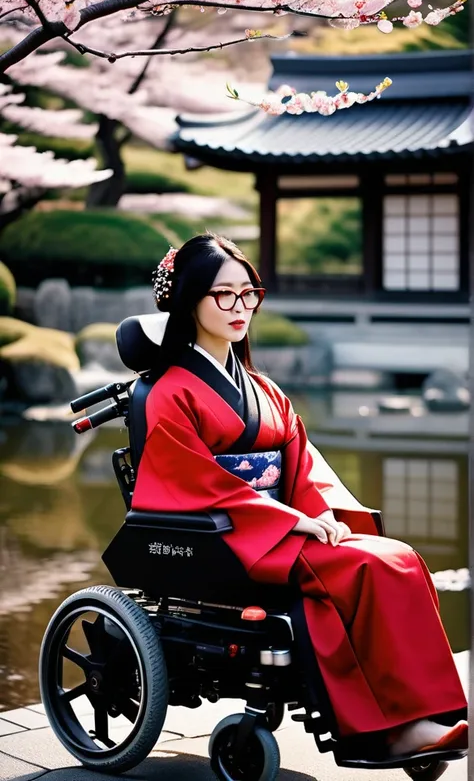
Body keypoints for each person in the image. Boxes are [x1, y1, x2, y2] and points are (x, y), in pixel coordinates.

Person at [132, 233, 467, 757]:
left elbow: (303, 465)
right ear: (188, 301)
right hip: (228, 541)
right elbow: (193, 481)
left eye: (249, 293)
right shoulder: (170, 392)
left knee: (399, 558)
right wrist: (288, 521)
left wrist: (318, 514)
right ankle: (386, 729)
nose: (240, 306)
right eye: (224, 294)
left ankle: (428, 713)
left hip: (277, 528)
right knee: (365, 568)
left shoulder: (264, 390)